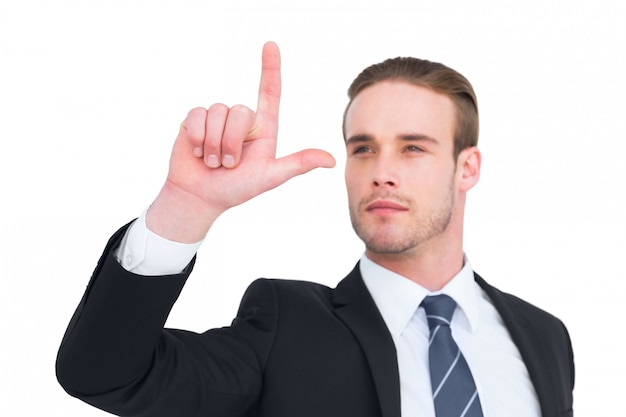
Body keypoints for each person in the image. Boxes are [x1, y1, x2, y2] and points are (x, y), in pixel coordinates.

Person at [56, 42, 574, 417]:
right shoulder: (286, 328)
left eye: (413, 147)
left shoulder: (545, 338)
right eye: (363, 147)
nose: (380, 171)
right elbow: (106, 374)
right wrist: (185, 207)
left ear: (468, 169)